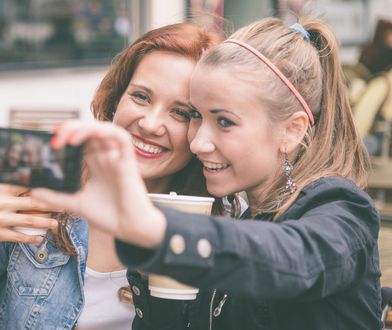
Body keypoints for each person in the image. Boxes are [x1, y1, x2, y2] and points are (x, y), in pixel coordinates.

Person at [32, 16, 382, 330]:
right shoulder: (246, 218)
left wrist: (157, 231)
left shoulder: (341, 207)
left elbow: (295, 258)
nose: (198, 142)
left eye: (224, 121)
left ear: (291, 130)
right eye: (197, 115)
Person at [0, 22, 223, 330]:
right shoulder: (38, 160)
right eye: (142, 97)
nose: (150, 124)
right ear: (117, 99)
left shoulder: (218, 216)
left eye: (181, 113)